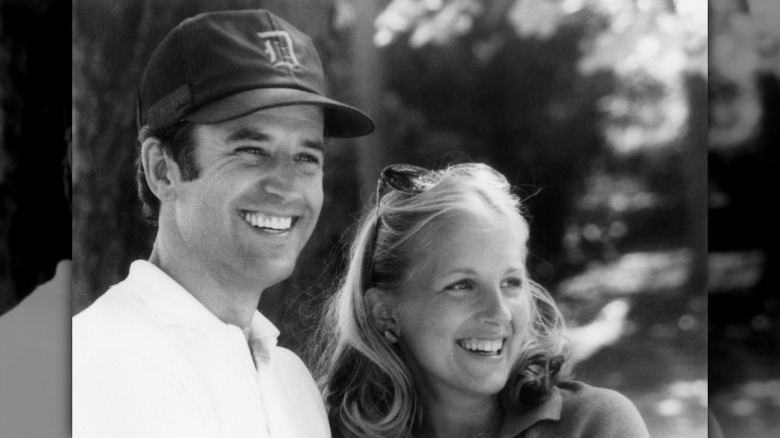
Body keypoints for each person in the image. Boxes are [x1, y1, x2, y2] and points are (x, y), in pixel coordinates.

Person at [72, 9, 374, 438]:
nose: (287, 186)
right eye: (251, 149)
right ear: (163, 170)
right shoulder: (113, 362)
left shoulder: (290, 379)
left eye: (307, 157)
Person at [315, 163, 650, 438]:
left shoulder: (595, 425)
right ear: (384, 313)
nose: (499, 312)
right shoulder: (319, 428)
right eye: (462, 285)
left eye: (511, 283)